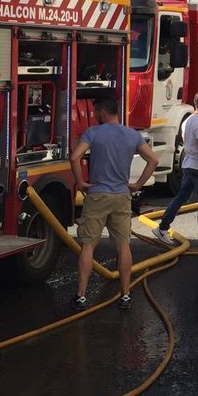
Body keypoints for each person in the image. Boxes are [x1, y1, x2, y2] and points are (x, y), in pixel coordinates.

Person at [70, 97, 160, 311]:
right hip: (122, 196)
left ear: (102, 111)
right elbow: (154, 160)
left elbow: (75, 157)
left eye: (95, 112)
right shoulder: (132, 134)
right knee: (123, 246)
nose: (94, 116)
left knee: (88, 246)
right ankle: (126, 295)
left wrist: (81, 182)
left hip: (97, 195)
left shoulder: (93, 133)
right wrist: (138, 184)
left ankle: (81, 296)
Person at [153, 91, 198, 251]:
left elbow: (189, 143)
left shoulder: (187, 121)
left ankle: (162, 228)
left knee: (181, 198)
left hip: (188, 165)